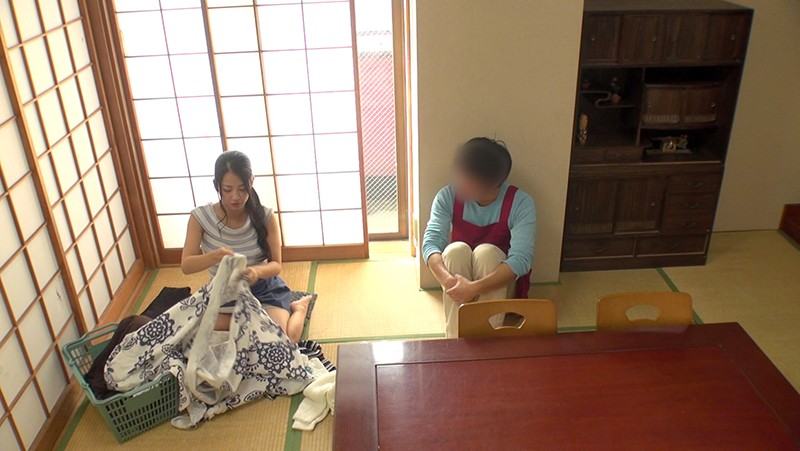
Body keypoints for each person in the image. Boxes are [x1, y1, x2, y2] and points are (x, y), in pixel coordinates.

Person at [181, 151, 311, 342]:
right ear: (217, 185)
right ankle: (249, 323)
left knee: (283, 341)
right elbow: (186, 265)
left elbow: (276, 265)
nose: (235, 196)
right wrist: (215, 256)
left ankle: (298, 308)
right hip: (224, 294)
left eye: (242, 189)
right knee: (191, 334)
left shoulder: (265, 217)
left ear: (251, 182)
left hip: (263, 290)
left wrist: (256, 271)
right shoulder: (200, 218)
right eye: (227, 189)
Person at [422, 137, 536, 337]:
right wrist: (448, 282)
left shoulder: (521, 203)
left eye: (466, 177)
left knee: (487, 253)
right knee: (455, 250)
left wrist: (474, 288)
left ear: (490, 184)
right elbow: (431, 243)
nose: (457, 180)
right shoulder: (447, 196)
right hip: (458, 281)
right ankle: (455, 340)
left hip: (499, 286)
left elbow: (521, 260)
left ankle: (488, 341)